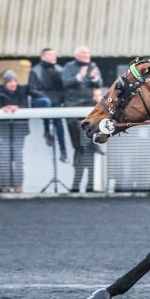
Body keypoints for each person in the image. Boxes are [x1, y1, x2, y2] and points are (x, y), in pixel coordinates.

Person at [0, 70, 42, 193]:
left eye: (14, 80)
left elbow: (25, 106)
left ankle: (18, 185)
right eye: (9, 81)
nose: (13, 83)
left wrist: (17, 108)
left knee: (18, 156)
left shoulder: (22, 90)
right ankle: (6, 186)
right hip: (4, 130)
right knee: (5, 157)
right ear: (4, 83)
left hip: (19, 129)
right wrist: (5, 109)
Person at [62, 46, 104, 193]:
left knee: (89, 149)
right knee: (80, 148)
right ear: (77, 55)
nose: (87, 55)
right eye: (84, 53)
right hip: (73, 112)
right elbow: (65, 83)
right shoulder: (68, 67)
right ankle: (77, 185)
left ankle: (87, 185)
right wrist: (79, 76)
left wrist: (94, 78)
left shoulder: (93, 67)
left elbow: (99, 84)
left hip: (89, 111)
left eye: (88, 53)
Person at [29, 47, 69, 162]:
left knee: (59, 122)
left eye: (54, 55)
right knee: (47, 102)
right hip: (40, 101)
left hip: (54, 102)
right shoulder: (35, 70)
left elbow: (64, 89)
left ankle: (63, 152)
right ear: (43, 57)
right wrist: (46, 96)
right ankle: (46, 130)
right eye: (50, 55)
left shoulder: (60, 70)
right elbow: (31, 89)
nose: (54, 57)